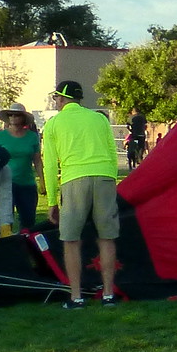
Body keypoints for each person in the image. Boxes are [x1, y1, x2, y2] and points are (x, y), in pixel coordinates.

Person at [40, 79, 121, 305]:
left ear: (63, 98)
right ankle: (108, 294)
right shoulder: (99, 118)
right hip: (104, 175)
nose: (55, 101)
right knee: (107, 237)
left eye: (56, 97)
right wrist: (111, 178)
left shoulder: (54, 124)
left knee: (71, 239)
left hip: (74, 179)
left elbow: (49, 165)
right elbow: (112, 153)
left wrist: (52, 201)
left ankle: (76, 297)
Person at [0, 108, 44, 230]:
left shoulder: (32, 137)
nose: (13, 117)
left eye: (17, 115)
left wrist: (42, 180)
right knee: (4, 220)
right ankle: (1, 246)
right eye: (10, 115)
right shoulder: (0, 136)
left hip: (27, 183)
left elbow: (37, 160)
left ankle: (25, 246)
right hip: (5, 183)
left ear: (23, 118)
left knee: (28, 220)